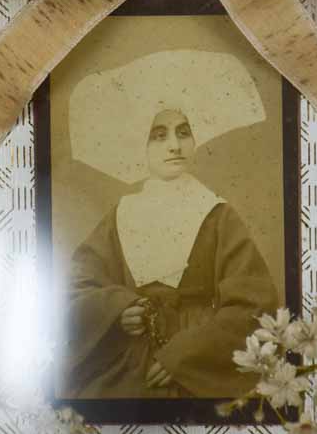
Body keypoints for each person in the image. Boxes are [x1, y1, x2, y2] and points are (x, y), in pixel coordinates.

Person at [60, 106, 278, 399]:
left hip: (199, 361)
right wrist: (117, 310)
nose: (174, 145)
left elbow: (253, 303)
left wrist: (184, 354)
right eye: (159, 136)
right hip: (128, 359)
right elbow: (77, 289)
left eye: (183, 133)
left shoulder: (217, 214)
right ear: (141, 146)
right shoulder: (120, 215)